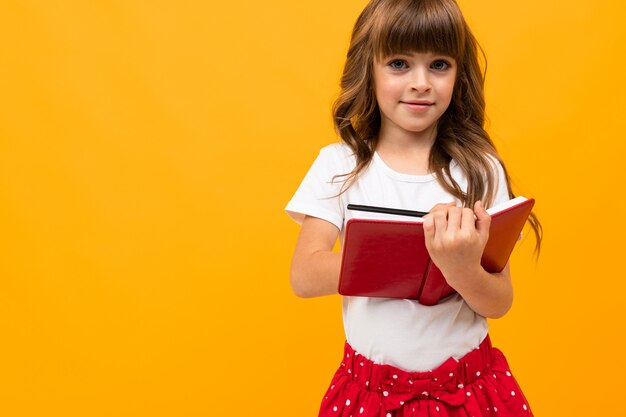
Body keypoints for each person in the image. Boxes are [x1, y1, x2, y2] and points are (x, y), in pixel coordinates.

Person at [285, 0, 542, 416]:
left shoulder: (480, 170)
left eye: (439, 64)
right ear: (368, 69)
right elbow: (304, 275)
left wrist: (460, 268)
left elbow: (499, 301)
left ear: (460, 75)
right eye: (399, 64)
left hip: (470, 390)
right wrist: (405, 260)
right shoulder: (340, 165)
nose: (421, 83)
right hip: (369, 394)